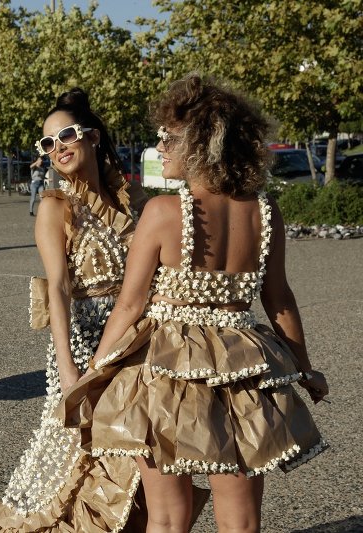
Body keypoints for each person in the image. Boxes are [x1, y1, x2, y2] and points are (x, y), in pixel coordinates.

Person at [59, 74, 329, 532]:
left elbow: (129, 306)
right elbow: (279, 299)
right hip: (243, 367)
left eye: (168, 138)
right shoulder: (264, 212)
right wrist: (304, 367)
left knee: (167, 517)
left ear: (203, 144)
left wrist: (93, 373)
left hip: (165, 372)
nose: (158, 147)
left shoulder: (163, 212)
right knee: (242, 518)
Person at [0, 88, 150, 532]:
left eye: (67, 136)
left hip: (140, 343)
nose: (58, 148)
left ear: (94, 137)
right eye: (47, 143)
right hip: (86, 347)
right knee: (81, 463)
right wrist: (68, 372)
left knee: (141, 457)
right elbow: (57, 288)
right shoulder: (55, 206)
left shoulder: (133, 202)